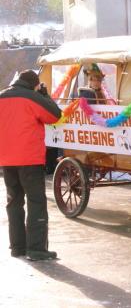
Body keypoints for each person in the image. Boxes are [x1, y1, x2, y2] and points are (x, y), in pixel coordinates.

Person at [0, 70, 62, 260]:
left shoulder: (2, 96)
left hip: (6, 159)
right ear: (35, 84)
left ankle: (17, 247)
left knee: (14, 202)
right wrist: (44, 95)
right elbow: (55, 115)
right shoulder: (32, 97)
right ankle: (36, 249)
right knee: (36, 202)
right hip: (29, 159)